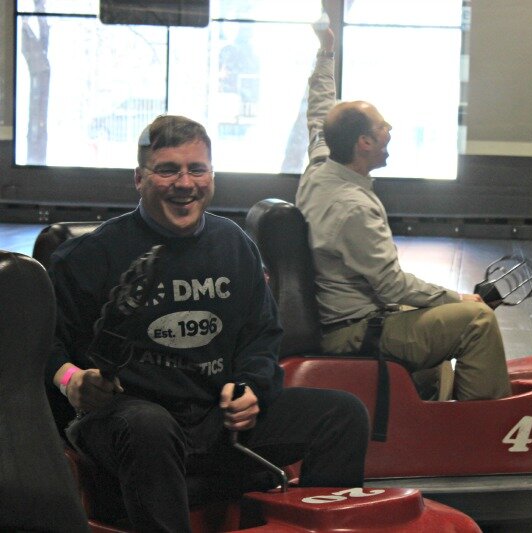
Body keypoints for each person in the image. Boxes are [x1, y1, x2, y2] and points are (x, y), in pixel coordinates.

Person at [45, 115, 370, 532]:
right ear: (139, 178)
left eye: (197, 169)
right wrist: (72, 378)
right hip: (126, 419)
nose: (185, 183)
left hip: (214, 416)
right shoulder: (87, 256)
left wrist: (251, 389)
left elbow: (261, 337)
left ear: (211, 175)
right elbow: (44, 350)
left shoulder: (233, 245)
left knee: (342, 414)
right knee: (149, 424)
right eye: (168, 170)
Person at [295, 27, 511, 402]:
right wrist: (458, 298)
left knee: (435, 311)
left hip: (346, 316)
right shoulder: (354, 208)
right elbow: (393, 286)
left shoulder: (320, 164)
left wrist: (325, 54)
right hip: (354, 330)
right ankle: (479, 432)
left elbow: (319, 110)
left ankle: (428, 407)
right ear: (364, 143)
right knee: (477, 321)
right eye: (382, 127)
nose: (389, 129)